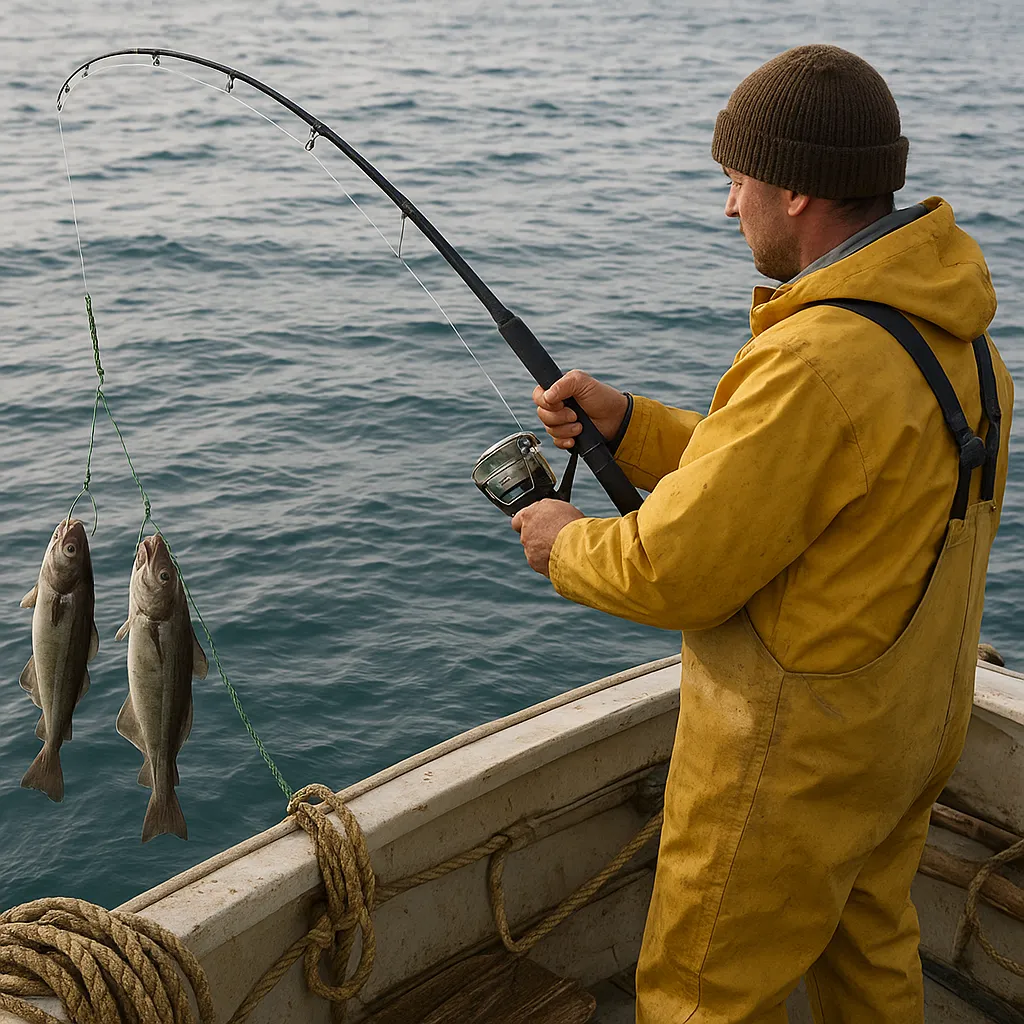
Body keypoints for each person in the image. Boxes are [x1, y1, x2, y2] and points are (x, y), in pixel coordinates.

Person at [511, 44, 1014, 1023]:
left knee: (702, 995)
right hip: (907, 728)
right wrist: (631, 426)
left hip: (794, 764)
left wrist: (564, 541)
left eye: (734, 180)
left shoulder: (814, 360)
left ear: (792, 191)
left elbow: (674, 571)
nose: (726, 205)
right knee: (870, 963)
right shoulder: (955, 334)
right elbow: (797, 479)